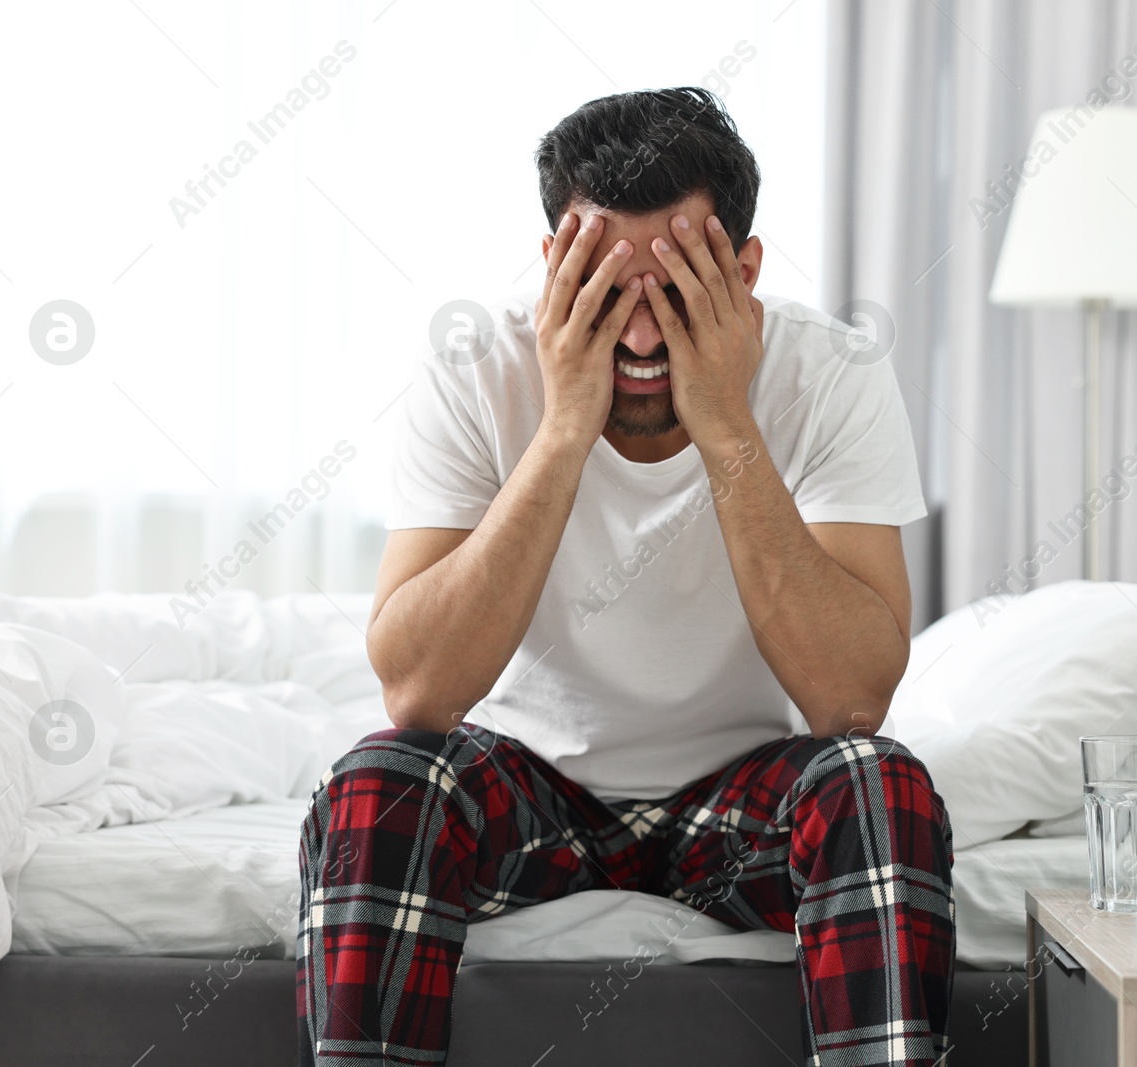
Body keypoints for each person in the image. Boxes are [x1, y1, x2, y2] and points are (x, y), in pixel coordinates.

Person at [297, 86, 954, 1066]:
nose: (642, 341)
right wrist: (564, 423)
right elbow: (418, 689)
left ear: (744, 270)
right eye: (607, 293)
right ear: (555, 267)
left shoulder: (832, 375)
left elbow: (851, 697)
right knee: (378, 785)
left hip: (736, 798)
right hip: (535, 791)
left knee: (878, 782)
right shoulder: (478, 370)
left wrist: (725, 418)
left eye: (679, 294)